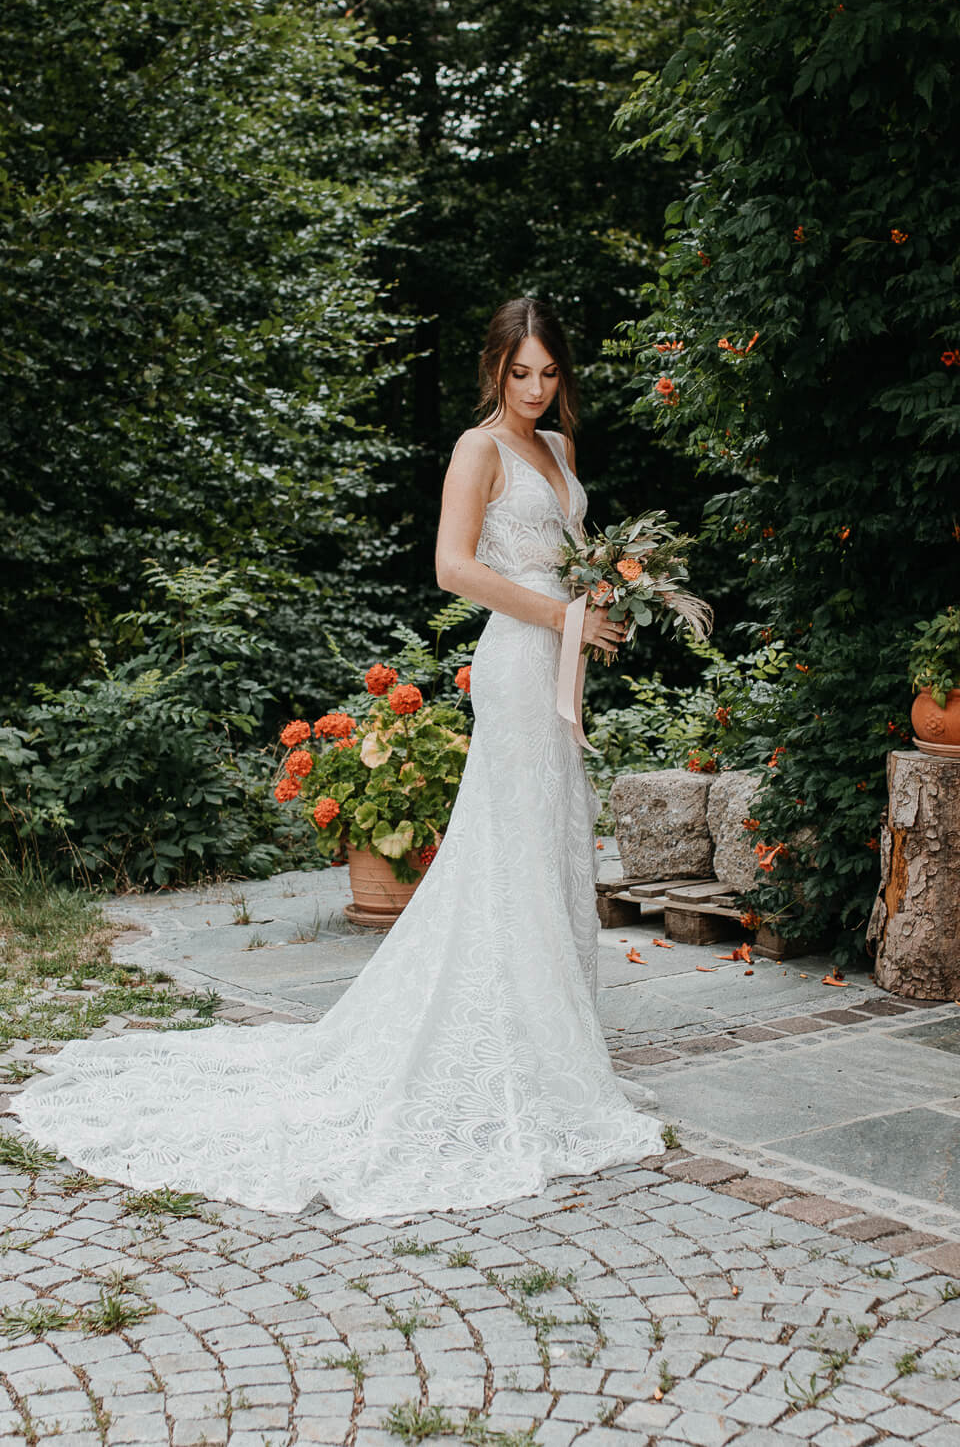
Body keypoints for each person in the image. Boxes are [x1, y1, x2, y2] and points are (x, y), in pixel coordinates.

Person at [14, 298, 664, 1217]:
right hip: (517, 663)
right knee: (510, 838)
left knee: (556, 833)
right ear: (494, 369)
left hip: (557, 661)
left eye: (549, 373)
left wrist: (600, 609)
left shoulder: (558, 454)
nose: (534, 389)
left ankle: (553, 1037)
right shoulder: (477, 451)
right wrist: (564, 616)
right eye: (520, 373)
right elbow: (453, 567)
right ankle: (515, 1043)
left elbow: (564, 563)